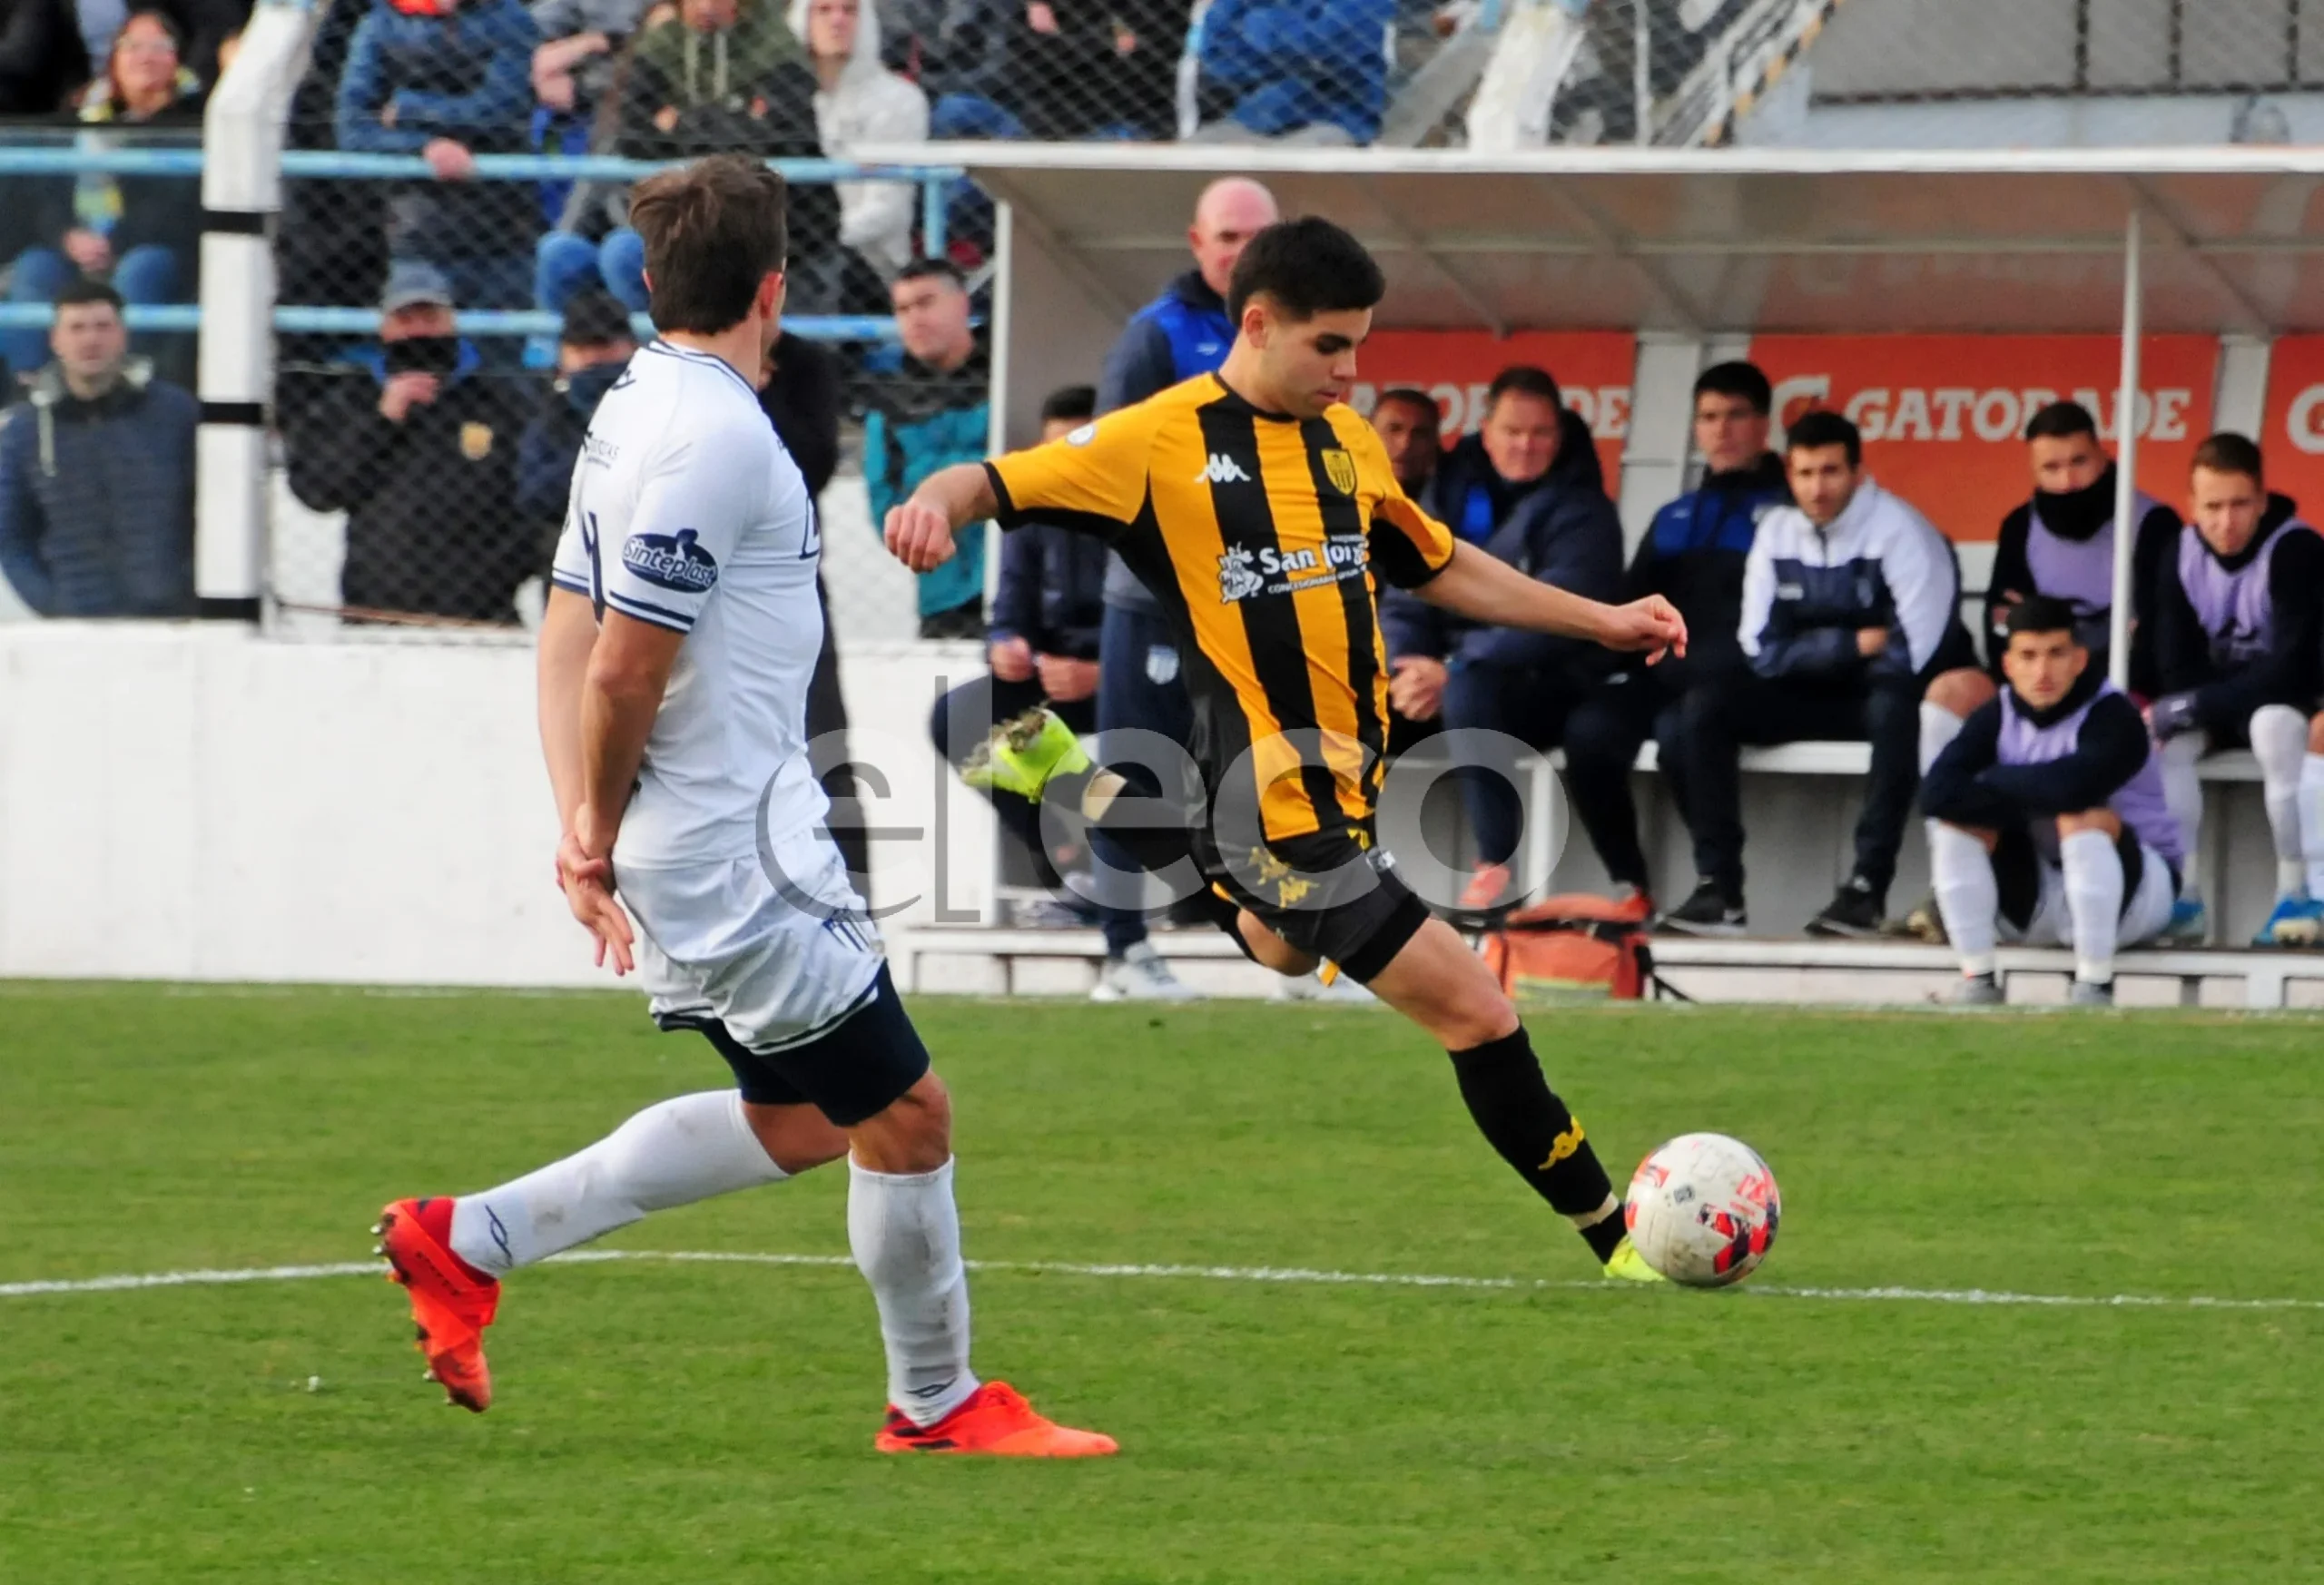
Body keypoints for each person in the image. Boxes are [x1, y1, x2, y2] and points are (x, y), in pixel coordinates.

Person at [374, 154, 1113, 1458]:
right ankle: (935, 1403)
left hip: (705, 842)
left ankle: (469, 1237)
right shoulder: (719, 435)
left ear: (649, 280)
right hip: (734, 854)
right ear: (777, 289)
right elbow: (619, 664)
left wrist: (583, 825)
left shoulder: (629, 403)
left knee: (806, 1117)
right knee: (908, 1113)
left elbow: (566, 624)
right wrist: (593, 831)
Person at [881, 215, 1688, 1282]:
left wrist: (1603, 619)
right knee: (1479, 1011)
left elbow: (1438, 562)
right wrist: (929, 507)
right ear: (1257, 325)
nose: (1351, 371)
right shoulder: (1155, 441)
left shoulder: (1348, 444)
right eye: (1329, 346)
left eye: (1359, 345)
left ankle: (1070, 780)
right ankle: (1621, 1244)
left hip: (1340, 792)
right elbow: (989, 481)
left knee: (1282, 951)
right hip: (1273, 814)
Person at [1666, 410, 1975, 937]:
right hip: (1807, 693)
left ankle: (1865, 890)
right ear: (1789, 474)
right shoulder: (1777, 532)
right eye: (1805, 473)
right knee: (1702, 709)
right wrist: (1852, 643)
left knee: (1896, 709)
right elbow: (1760, 651)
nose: (1817, 488)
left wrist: (1809, 649)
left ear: (1858, 472)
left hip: (1882, 697)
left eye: (1831, 471)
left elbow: (1911, 655)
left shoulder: (1901, 530)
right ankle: (1719, 890)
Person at [1083, 176, 1276, 999]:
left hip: (1254, 599)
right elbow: (1108, 469)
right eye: (1227, 236)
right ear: (1198, 244)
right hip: (1156, 601)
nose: (1241, 251)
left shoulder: (1287, 334)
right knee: (1137, 771)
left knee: (1262, 771)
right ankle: (1123, 952)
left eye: (1255, 236)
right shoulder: (1155, 337)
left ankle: (1289, 950)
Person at [1905, 398, 2183, 942]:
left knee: (2150, 729)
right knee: (1951, 691)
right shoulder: (2021, 526)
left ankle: (2176, 899)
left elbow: (2159, 641)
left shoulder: (2152, 523)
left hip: (2126, 693)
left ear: (2103, 457)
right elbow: (2003, 634)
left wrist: (1988, 785)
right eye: (2051, 468)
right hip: (2038, 694)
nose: (2068, 482)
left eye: (2079, 463)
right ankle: (1951, 881)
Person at [1380, 365, 1623, 911]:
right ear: (1486, 431)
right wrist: (1407, 663)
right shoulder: (1448, 491)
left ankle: (1496, 870)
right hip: (1437, 679)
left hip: (1542, 684)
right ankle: (1319, 866)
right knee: (1343, 697)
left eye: (1540, 433)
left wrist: (1452, 668)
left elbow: (1558, 616)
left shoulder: (1584, 510)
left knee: (1471, 687)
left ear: (1559, 435)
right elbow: (1404, 589)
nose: (1525, 446)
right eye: (1513, 431)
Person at [1565, 360, 1787, 927]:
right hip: (1665, 675)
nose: (1722, 429)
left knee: (1684, 728)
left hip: (1744, 683)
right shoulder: (1675, 515)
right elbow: (1631, 603)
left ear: (1764, 424)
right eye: (1709, 417)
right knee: (1588, 732)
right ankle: (1631, 887)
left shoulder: (1788, 513)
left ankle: (1722, 891)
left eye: (1736, 415)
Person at [927, 387, 1133, 940]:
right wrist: (1006, 648)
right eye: (1051, 453)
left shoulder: (1145, 517)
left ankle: (1156, 861)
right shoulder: (1033, 519)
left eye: (1076, 449)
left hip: (1134, 684)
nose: (1063, 467)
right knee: (960, 716)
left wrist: (1103, 673)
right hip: (1053, 681)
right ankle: (1068, 858)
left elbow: (1176, 639)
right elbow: (1007, 616)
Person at [1925, 596, 2186, 1007]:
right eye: (2028, 656)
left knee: (2080, 817)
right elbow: (1936, 794)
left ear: (2079, 659)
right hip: (2037, 893)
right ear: (2008, 665)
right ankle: (1978, 979)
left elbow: (2073, 790)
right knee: (1955, 825)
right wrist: (2020, 795)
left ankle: (2094, 985)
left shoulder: (2114, 715)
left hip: (2136, 897)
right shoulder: (1996, 714)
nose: (2042, 671)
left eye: (2056, 654)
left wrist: (1991, 781)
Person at [281, 261, 535, 624]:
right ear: (383, 328)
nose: (418, 331)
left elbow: (536, 501)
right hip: (375, 616)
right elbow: (316, 491)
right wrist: (382, 421)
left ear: (452, 321)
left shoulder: (499, 402)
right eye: (405, 319)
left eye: (430, 318)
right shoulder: (352, 400)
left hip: (480, 616)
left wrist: (496, 574)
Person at [2146, 432, 2324, 947]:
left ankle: (2297, 893)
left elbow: (2291, 669)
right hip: (2223, 704)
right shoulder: (2180, 552)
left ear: (2262, 500)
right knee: (2167, 739)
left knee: (2271, 727)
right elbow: (2173, 665)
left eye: (2240, 504)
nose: (2226, 522)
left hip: (2288, 703)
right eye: (2213, 507)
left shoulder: (2294, 547)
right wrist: (2193, 708)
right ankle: (2181, 897)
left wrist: (2199, 703)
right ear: (2192, 505)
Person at [5, 10, 207, 379]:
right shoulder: (80, 112)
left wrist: (113, 242)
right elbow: (45, 192)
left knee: (141, 269)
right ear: (114, 58)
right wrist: (67, 236)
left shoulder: (196, 119)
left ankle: (128, 379)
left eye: (159, 46)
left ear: (176, 59)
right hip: (79, 245)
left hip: (152, 248)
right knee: (35, 268)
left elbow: (177, 207)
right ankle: (31, 383)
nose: (145, 56)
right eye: (133, 46)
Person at [0, 279, 195, 617]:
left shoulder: (177, 413)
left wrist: (186, 594)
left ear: (123, 335)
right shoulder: (25, 430)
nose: (91, 339)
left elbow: (212, 513)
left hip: (172, 622)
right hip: (75, 624)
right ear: (55, 340)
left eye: (103, 327)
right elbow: (12, 538)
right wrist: (53, 605)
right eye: (76, 328)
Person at [757, 326, 871, 893]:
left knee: (825, 750)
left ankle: (858, 908)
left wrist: (758, 396)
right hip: (702, 592)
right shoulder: (684, 368)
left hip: (792, 586)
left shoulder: (802, 364)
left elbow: (813, 466)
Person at [335, 0, 541, 311]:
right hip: (416, 232)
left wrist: (410, 109)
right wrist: (425, 146)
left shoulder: (510, 18)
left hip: (505, 229)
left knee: (507, 336)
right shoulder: (382, 22)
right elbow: (353, 130)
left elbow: (502, 112)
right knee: (419, 332)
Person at [865, 257, 989, 638]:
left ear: (962, 303)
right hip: (942, 601)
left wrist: (932, 485)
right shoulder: (888, 403)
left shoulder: (1012, 374)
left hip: (1018, 588)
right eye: (903, 309)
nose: (914, 319)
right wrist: (979, 478)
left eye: (925, 303)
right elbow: (887, 513)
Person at [787, 0, 927, 292]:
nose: (838, 21)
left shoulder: (898, 100)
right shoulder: (788, 100)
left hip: (871, 268)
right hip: (795, 255)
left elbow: (887, 209)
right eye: (824, 10)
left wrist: (817, 239)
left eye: (850, 10)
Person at [1190, 0, 1396, 144]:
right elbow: (1218, 57)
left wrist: (1257, 23)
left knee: (1289, 170)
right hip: (1253, 117)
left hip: (1335, 120)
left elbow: (1321, 47)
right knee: (1192, 156)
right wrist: (1292, 52)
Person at [516, 289, 637, 529]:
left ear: (633, 348)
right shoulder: (551, 411)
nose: (594, 359)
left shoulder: (663, 403)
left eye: (606, 346)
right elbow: (533, 495)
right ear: (563, 355)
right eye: (582, 349)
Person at [1367, 386, 1440, 497]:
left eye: (1419, 434)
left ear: (1434, 441)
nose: (1405, 444)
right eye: (1394, 429)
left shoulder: (1454, 501)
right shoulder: (1340, 499)